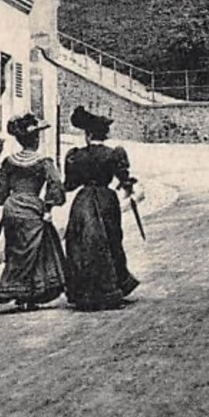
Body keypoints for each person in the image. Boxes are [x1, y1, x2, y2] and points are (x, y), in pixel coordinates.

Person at [62, 107, 141, 310]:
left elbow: (70, 184)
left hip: (83, 201)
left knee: (81, 244)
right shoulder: (113, 154)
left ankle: (84, 293)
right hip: (107, 200)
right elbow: (124, 180)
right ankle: (114, 287)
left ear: (88, 135)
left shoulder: (76, 156)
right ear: (104, 135)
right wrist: (129, 189)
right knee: (111, 240)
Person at [0, 113, 66, 309]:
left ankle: (17, 292)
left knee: (15, 250)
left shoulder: (9, 161)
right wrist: (48, 207)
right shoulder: (44, 161)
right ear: (35, 139)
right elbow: (55, 185)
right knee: (35, 251)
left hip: (12, 208)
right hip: (33, 207)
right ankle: (31, 293)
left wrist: (8, 200)